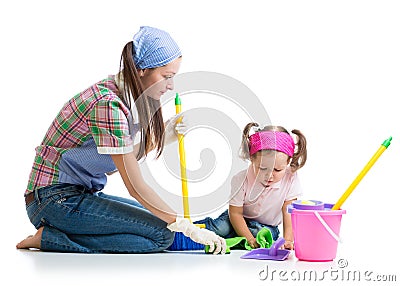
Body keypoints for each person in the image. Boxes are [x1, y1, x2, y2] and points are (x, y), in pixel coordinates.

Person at [16, 26, 226, 254]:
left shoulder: (124, 99)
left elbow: (117, 163)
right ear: (142, 70)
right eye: (167, 76)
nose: (171, 85)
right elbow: (135, 186)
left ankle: (62, 233)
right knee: (161, 236)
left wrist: (165, 137)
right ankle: (49, 238)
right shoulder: (109, 105)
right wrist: (186, 227)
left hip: (78, 195)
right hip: (53, 201)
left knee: (162, 224)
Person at [195, 123, 307, 250]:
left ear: (288, 162)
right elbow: (235, 213)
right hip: (237, 219)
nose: (269, 176)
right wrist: (249, 239)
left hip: (266, 226)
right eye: (263, 168)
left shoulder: (290, 178)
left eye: (277, 170)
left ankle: (226, 238)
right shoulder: (241, 179)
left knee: (261, 233)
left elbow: (288, 211)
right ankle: (182, 234)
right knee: (221, 227)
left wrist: (287, 240)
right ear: (251, 158)